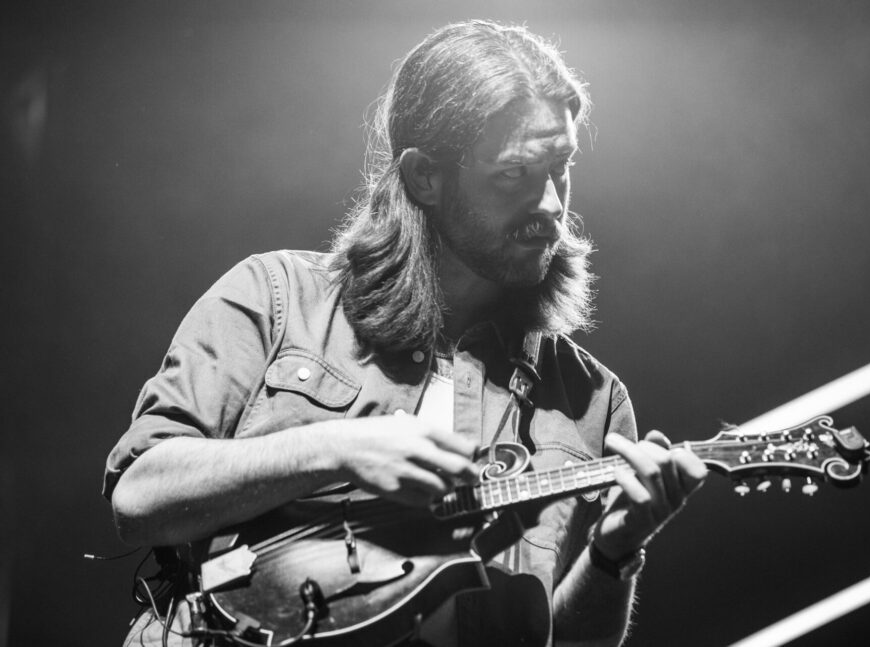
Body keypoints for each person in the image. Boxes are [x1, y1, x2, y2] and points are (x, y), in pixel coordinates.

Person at [104, 19, 707, 647]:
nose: (552, 204)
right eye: (515, 174)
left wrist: (615, 554)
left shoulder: (592, 400)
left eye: (560, 168)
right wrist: (337, 448)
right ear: (426, 178)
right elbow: (140, 498)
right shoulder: (276, 295)